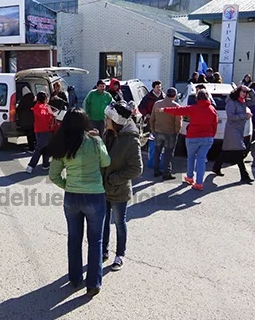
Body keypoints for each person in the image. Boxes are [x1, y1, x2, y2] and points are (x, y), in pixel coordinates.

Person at [48, 108, 111, 298]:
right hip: (95, 196)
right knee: (96, 241)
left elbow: (53, 175)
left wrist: (68, 185)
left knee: (74, 238)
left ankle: (75, 278)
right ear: (85, 123)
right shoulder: (94, 141)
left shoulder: (62, 144)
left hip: (72, 196)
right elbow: (106, 162)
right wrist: (99, 140)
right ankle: (93, 284)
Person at [101, 101, 143, 270]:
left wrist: (114, 178)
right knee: (103, 222)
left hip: (118, 189)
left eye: (108, 118)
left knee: (119, 222)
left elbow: (137, 169)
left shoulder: (131, 140)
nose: (105, 120)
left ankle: (120, 254)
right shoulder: (108, 133)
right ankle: (103, 251)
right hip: (102, 188)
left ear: (116, 121)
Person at [161, 89, 218, 190]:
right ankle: (199, 183)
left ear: (197, 98)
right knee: (201, 160)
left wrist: (164, 109)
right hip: (207, 138)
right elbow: (215, 124)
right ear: (207, 97)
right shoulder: (212, 109)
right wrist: (211, 136)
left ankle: (190, 177)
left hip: (193, 137)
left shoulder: (193, 108)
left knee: (191, 157)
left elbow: (178, 111)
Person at [212, 86, 255, 183]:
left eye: (246, 92)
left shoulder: (243, 102)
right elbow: (231, 117)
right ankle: (244, 176)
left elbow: (254, 101)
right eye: (243, 92)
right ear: (238, 92)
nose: (245, 94)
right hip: (232, 130)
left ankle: (216, 167)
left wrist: (251, 90)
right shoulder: (231, 102)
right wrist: (245, 116)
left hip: (239, 129)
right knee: (239, 151)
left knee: (227, 151)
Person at [149, 87, 182, 180]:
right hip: (170, 133)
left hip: (158, 131)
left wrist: (153, 129)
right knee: (168, 153)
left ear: (166, 94)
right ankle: (166, 173)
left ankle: (156, 170)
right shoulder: (176, 106)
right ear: (175, 96)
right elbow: (178, 121)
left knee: (157, 151)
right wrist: (177, 131)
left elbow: (152, 118)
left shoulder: (157, 104)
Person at [27, 92, 55, 174]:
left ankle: (45, 165)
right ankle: (31, 165)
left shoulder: (41, 106)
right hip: (43, 130)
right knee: (40, 148)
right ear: (44, 99)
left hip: (42, 130)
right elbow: (44, 115)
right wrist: (51, 115)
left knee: (45, 147)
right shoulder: (40, 107)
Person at [17, 86, 36, 152]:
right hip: (33, 120)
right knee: (34, 134)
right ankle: (36, 146)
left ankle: (31, 148)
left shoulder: (23, 100)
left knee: (29, 135)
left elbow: (19, 110)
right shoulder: (34, 98)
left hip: (25, 121)